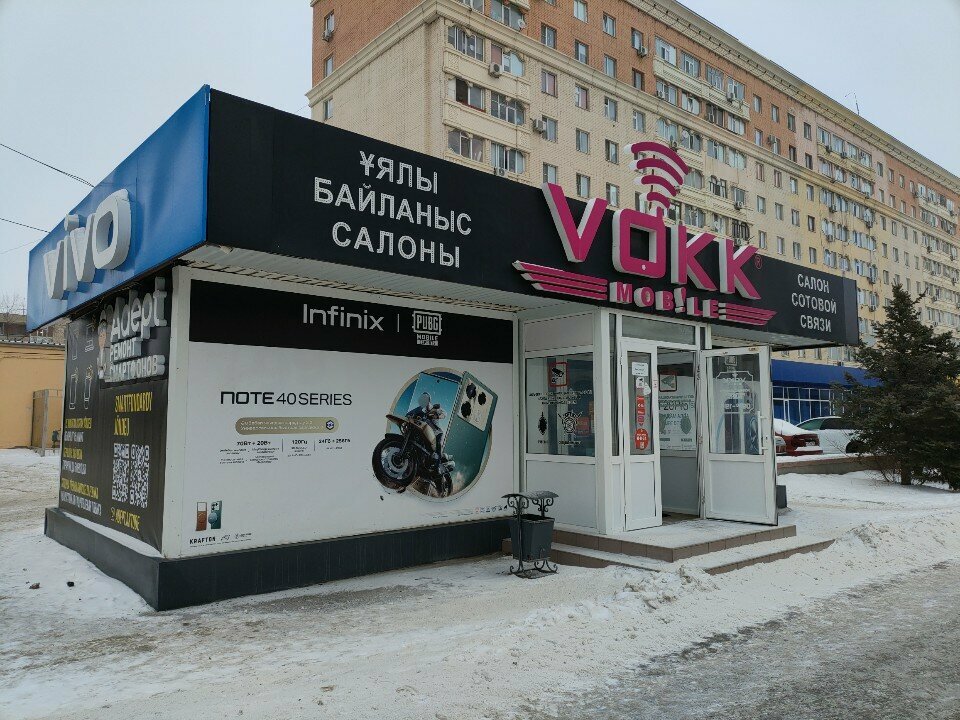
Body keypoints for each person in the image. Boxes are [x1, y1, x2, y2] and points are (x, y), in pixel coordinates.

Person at [406, 392, 447, 462]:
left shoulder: (434, 409)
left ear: (429, 400)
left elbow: (444, 413)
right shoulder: (420, 409)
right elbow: (408, 414)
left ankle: (438, 463)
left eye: (425, 399)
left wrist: (437, 416)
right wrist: (410, 417)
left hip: (436, 433)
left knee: (438, 444)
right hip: (425, 433)